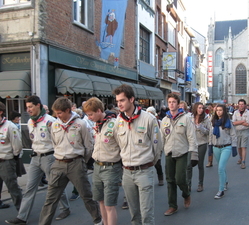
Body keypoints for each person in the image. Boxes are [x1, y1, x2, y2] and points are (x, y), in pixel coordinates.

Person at [5, 96, 71, 225]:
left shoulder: (51, 121)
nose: (28, 109)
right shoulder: (30, 121)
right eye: (27, 107)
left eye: (30, 107)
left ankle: (65, 208)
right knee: (30, 188)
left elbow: (59, 141)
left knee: (54, 186)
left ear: (38, 106)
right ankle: (22, 217)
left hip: (49, 157)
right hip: (35, 158)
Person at [38, 97, 102, 225]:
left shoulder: (80, 124)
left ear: (68, 110)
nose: (57, 115)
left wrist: (81, 161)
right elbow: (54, 143)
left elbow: (88, 146)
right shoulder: (55, 124)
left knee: (86, 196)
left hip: (76, 163)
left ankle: (98, 221)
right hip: (58, 163)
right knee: (50, 198)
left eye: (60, 112)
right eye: (56, 113)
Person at [113, 84, 162, 225]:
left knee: (146, 214)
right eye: (117, 101)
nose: (119, 104)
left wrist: (149, 164)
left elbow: (157, 146)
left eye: (122, 100)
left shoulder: (148, 119)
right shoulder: (119, 121)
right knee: (134, 214)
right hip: (127, 172)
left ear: (131, 99)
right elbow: (118, 142)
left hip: (144, 171)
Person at [83, 97, 122, 225]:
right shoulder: (96, 124)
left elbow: (123, 145)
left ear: (99, 110)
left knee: (109, 205)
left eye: (90, 114)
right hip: (97, 166)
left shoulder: (114, 124)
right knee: (101, 201)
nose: (89, 117)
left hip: (111, 167)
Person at [160, 93, 197, 216]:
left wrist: (193, 153)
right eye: (169, 102)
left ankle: (186, 194)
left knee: (180, 179)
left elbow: (191, 136)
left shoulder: (186, 118)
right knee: (170, 180)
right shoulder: (164, 120)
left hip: (182, 152)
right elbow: (162, 138)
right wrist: (159, 153)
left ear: (178, 103)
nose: (171, 104)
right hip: (169, 152)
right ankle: (172, 206)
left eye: (173, 102)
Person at [209, 104, 237, 199]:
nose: (219, 112)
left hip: (226, 147)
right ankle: (225, 181)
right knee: (221, 166)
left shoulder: (228, 122)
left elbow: (233, 135)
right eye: (217, 110)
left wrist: (234, 147)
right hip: (216, 147)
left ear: (224, 111)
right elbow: (210, 135)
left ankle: (221, 190)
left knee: (220, 168)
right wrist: (210, 146)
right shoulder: (213, 122)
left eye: (220, 110)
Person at [0, 102, 23, 212]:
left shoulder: (9, 126)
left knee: (12, 187)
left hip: (6, 161)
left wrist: (12, 158)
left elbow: (17, 146)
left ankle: (21, 211)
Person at [187, 102, 211, 192]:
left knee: (200, 164)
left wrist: (201, 127)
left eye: (202, 108)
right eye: (199, 108)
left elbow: (208, 132)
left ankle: (200, 184)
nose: (201, 110)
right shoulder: (189, 118)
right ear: (195, 108)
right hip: (191, 143)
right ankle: (188, 184)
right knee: (189, 165)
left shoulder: (206, 118)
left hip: (202, 143)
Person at [146, 106, 164, 186]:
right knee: (146, 164)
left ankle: (161, 178)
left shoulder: (159, 122)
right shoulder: (145, 122)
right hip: (147, 146)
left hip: (157, 145)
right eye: (148, 113)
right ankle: (146, 180)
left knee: (157, 163)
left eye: (151, 113)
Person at [232, 99, 249, 169]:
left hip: (245, 131)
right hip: (237, 131)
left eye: (242, 104)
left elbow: (248, 124)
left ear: (245, 105)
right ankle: (240, 158)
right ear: (238, 105)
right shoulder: (235, 112)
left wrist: (239, 122)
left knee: (244, 146)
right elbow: (233, 122)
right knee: (239, 147)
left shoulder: (248, 113)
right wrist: (242, 121)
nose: (241, 106)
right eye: (240, 104)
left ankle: (243, 162)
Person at [205, 103, 214, 167]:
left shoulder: (215, 115)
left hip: (215, 134)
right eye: (208, 107)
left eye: (210, 107)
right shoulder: (207, 115)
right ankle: (210, 161)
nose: (209, 108)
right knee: (210, 148)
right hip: (209, 134)